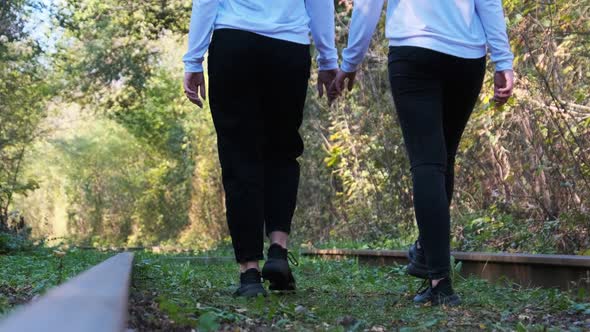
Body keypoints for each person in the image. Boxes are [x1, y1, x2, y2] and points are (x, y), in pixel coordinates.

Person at [331, 0, 514, 306]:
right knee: (442, 159)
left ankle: (439, 279)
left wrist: (350, 62)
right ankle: (428, 255)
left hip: (414, 49)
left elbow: (369, 4)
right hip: (466, 55)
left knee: (428, 162)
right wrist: (503, 61)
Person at [182, 0, 338, 297]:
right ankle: (278, 250)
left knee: (239, 156)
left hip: (234, 43)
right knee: (283, 151)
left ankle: (250, 273)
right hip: (288, 48)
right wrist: (328, 60)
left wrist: (193, 60)